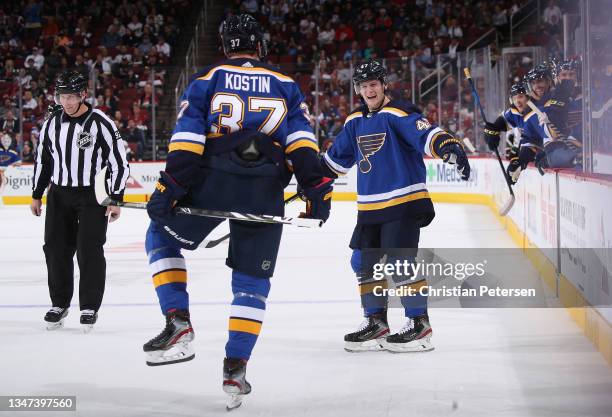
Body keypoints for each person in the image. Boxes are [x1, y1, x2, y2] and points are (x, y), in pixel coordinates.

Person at [141, 14, 331, 409]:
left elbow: (189, 141)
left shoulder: (206, 79)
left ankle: (177, 320)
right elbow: (301, 145)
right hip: (264, 191)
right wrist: (315, 190)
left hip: (213, 183)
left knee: (159, 233)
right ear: (259, 46)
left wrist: (169, 188)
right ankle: (235, 367)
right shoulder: (286, 85)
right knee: (251, 284)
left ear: (226, 47)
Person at [320, 59, 470, 353]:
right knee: (362, 262)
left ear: (384, 84)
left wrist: (448, 146)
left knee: (400, 263)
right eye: (363, 86)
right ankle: (376, 322)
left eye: (373, 84)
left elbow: (426, 133)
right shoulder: (354, 121)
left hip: (404, 201)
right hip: (370, 208)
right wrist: (309, 178)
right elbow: (334, 161)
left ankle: (419, 324)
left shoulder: (398, 112)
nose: (369, 90)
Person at [30, 70, 129, 333]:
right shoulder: (52, 123)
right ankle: (59, 304)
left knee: (89, 250)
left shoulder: (100, 122)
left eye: (72, 96)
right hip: (59, 194)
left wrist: (115, 197)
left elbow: (119, 162)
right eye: (62, 96)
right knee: (55, 248)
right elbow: (44, 160)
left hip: (91, 196)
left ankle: (89, 307)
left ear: (83, 94)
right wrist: (37, 193)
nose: (67, 102)